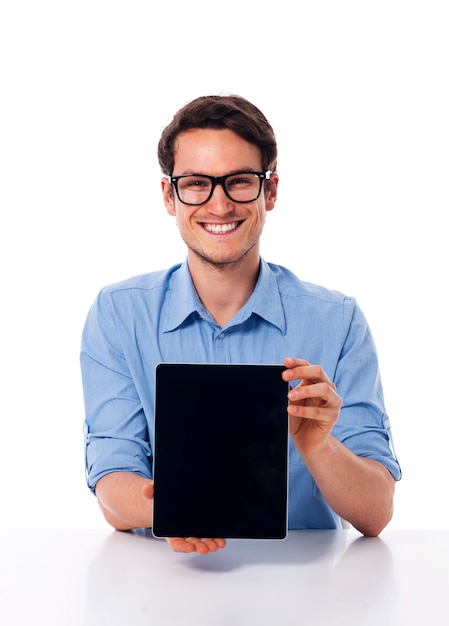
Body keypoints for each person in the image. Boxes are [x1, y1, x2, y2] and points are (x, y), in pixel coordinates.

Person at [80, 94, 401, 555]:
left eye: (239, 181)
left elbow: (376, 514)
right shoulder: (118, 314)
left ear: (270, 191)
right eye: (195, 183)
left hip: (312, 594)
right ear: (170, 196)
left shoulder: (338, 320)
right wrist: (172, 508)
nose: (219, 204)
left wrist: (318, 445)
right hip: (164, 590)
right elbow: (112, 485)